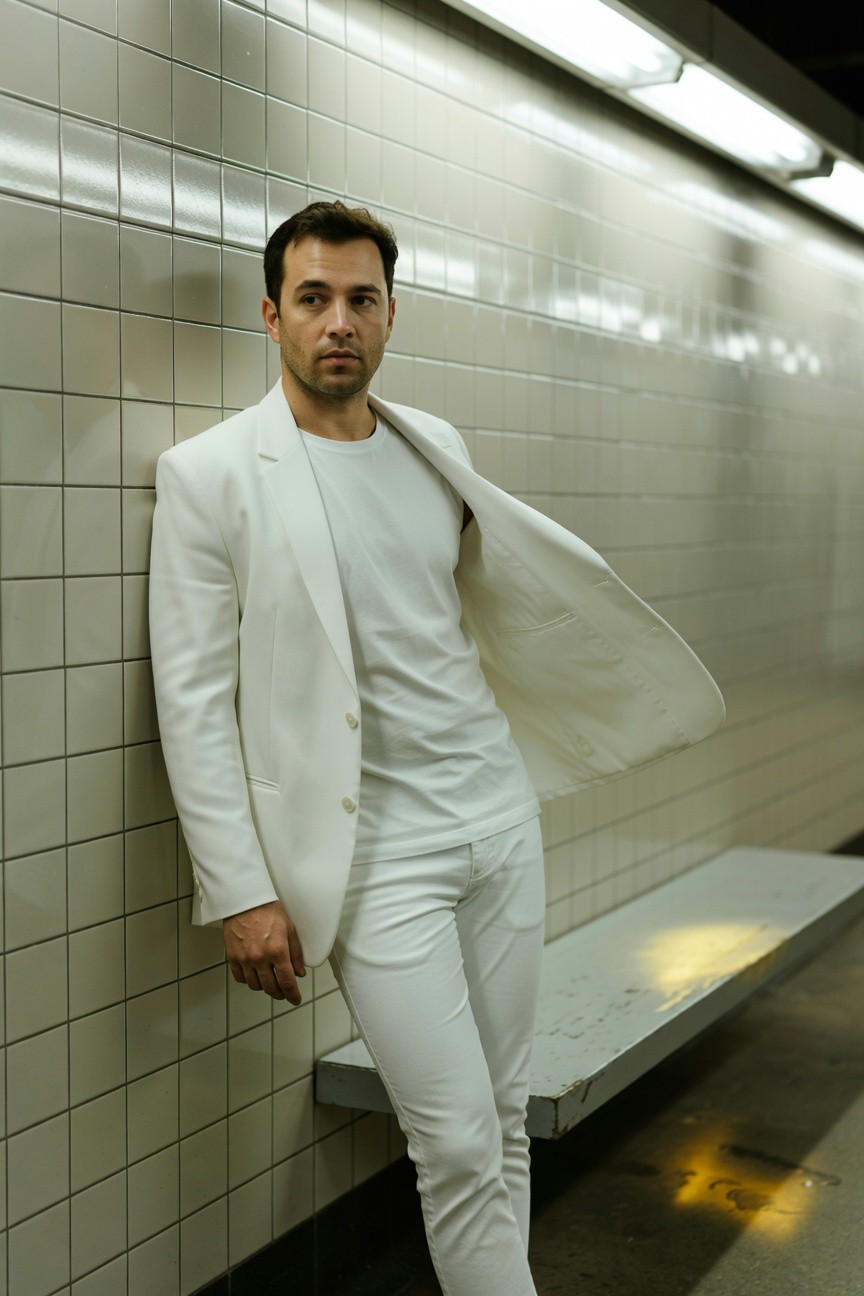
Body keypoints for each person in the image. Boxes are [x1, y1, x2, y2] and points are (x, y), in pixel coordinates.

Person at [149, 201, 724, 1296]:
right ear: (270, 315)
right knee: (455, 1141)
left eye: (361, 301)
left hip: (496, 819)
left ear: (390, 314)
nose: (338, 323)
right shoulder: (211, 477)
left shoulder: (434, 448)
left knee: (501, 1117)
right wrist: (241, 890)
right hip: (376, 862)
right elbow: (191, 701)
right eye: (313, 299)